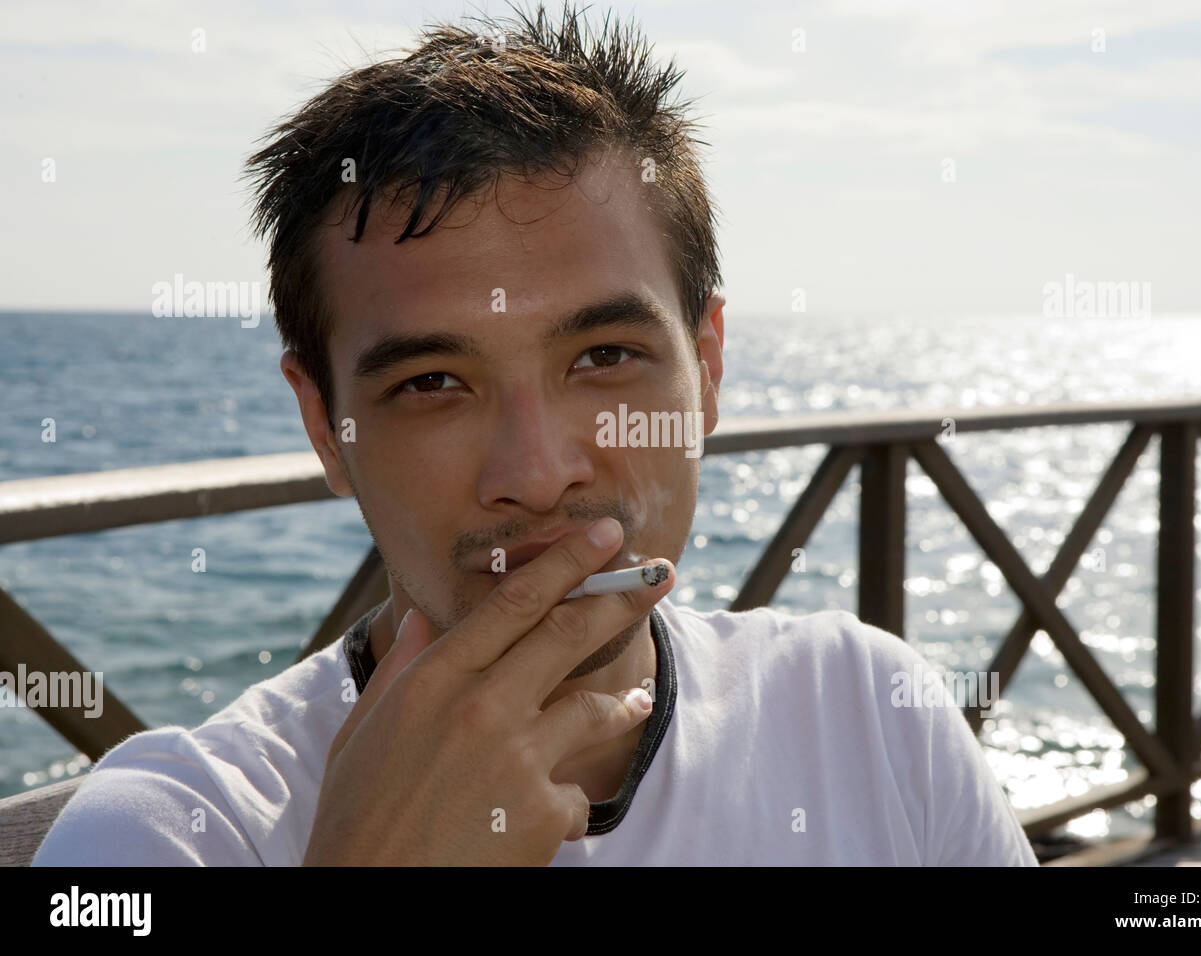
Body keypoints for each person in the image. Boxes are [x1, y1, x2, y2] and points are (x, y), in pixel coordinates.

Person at [34, 1, 1036, 866]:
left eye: (603, 357)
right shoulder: (174, 830)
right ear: (325, 426)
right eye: (433, 382)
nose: (539, 472)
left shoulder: (866, 713)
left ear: (709, 368)